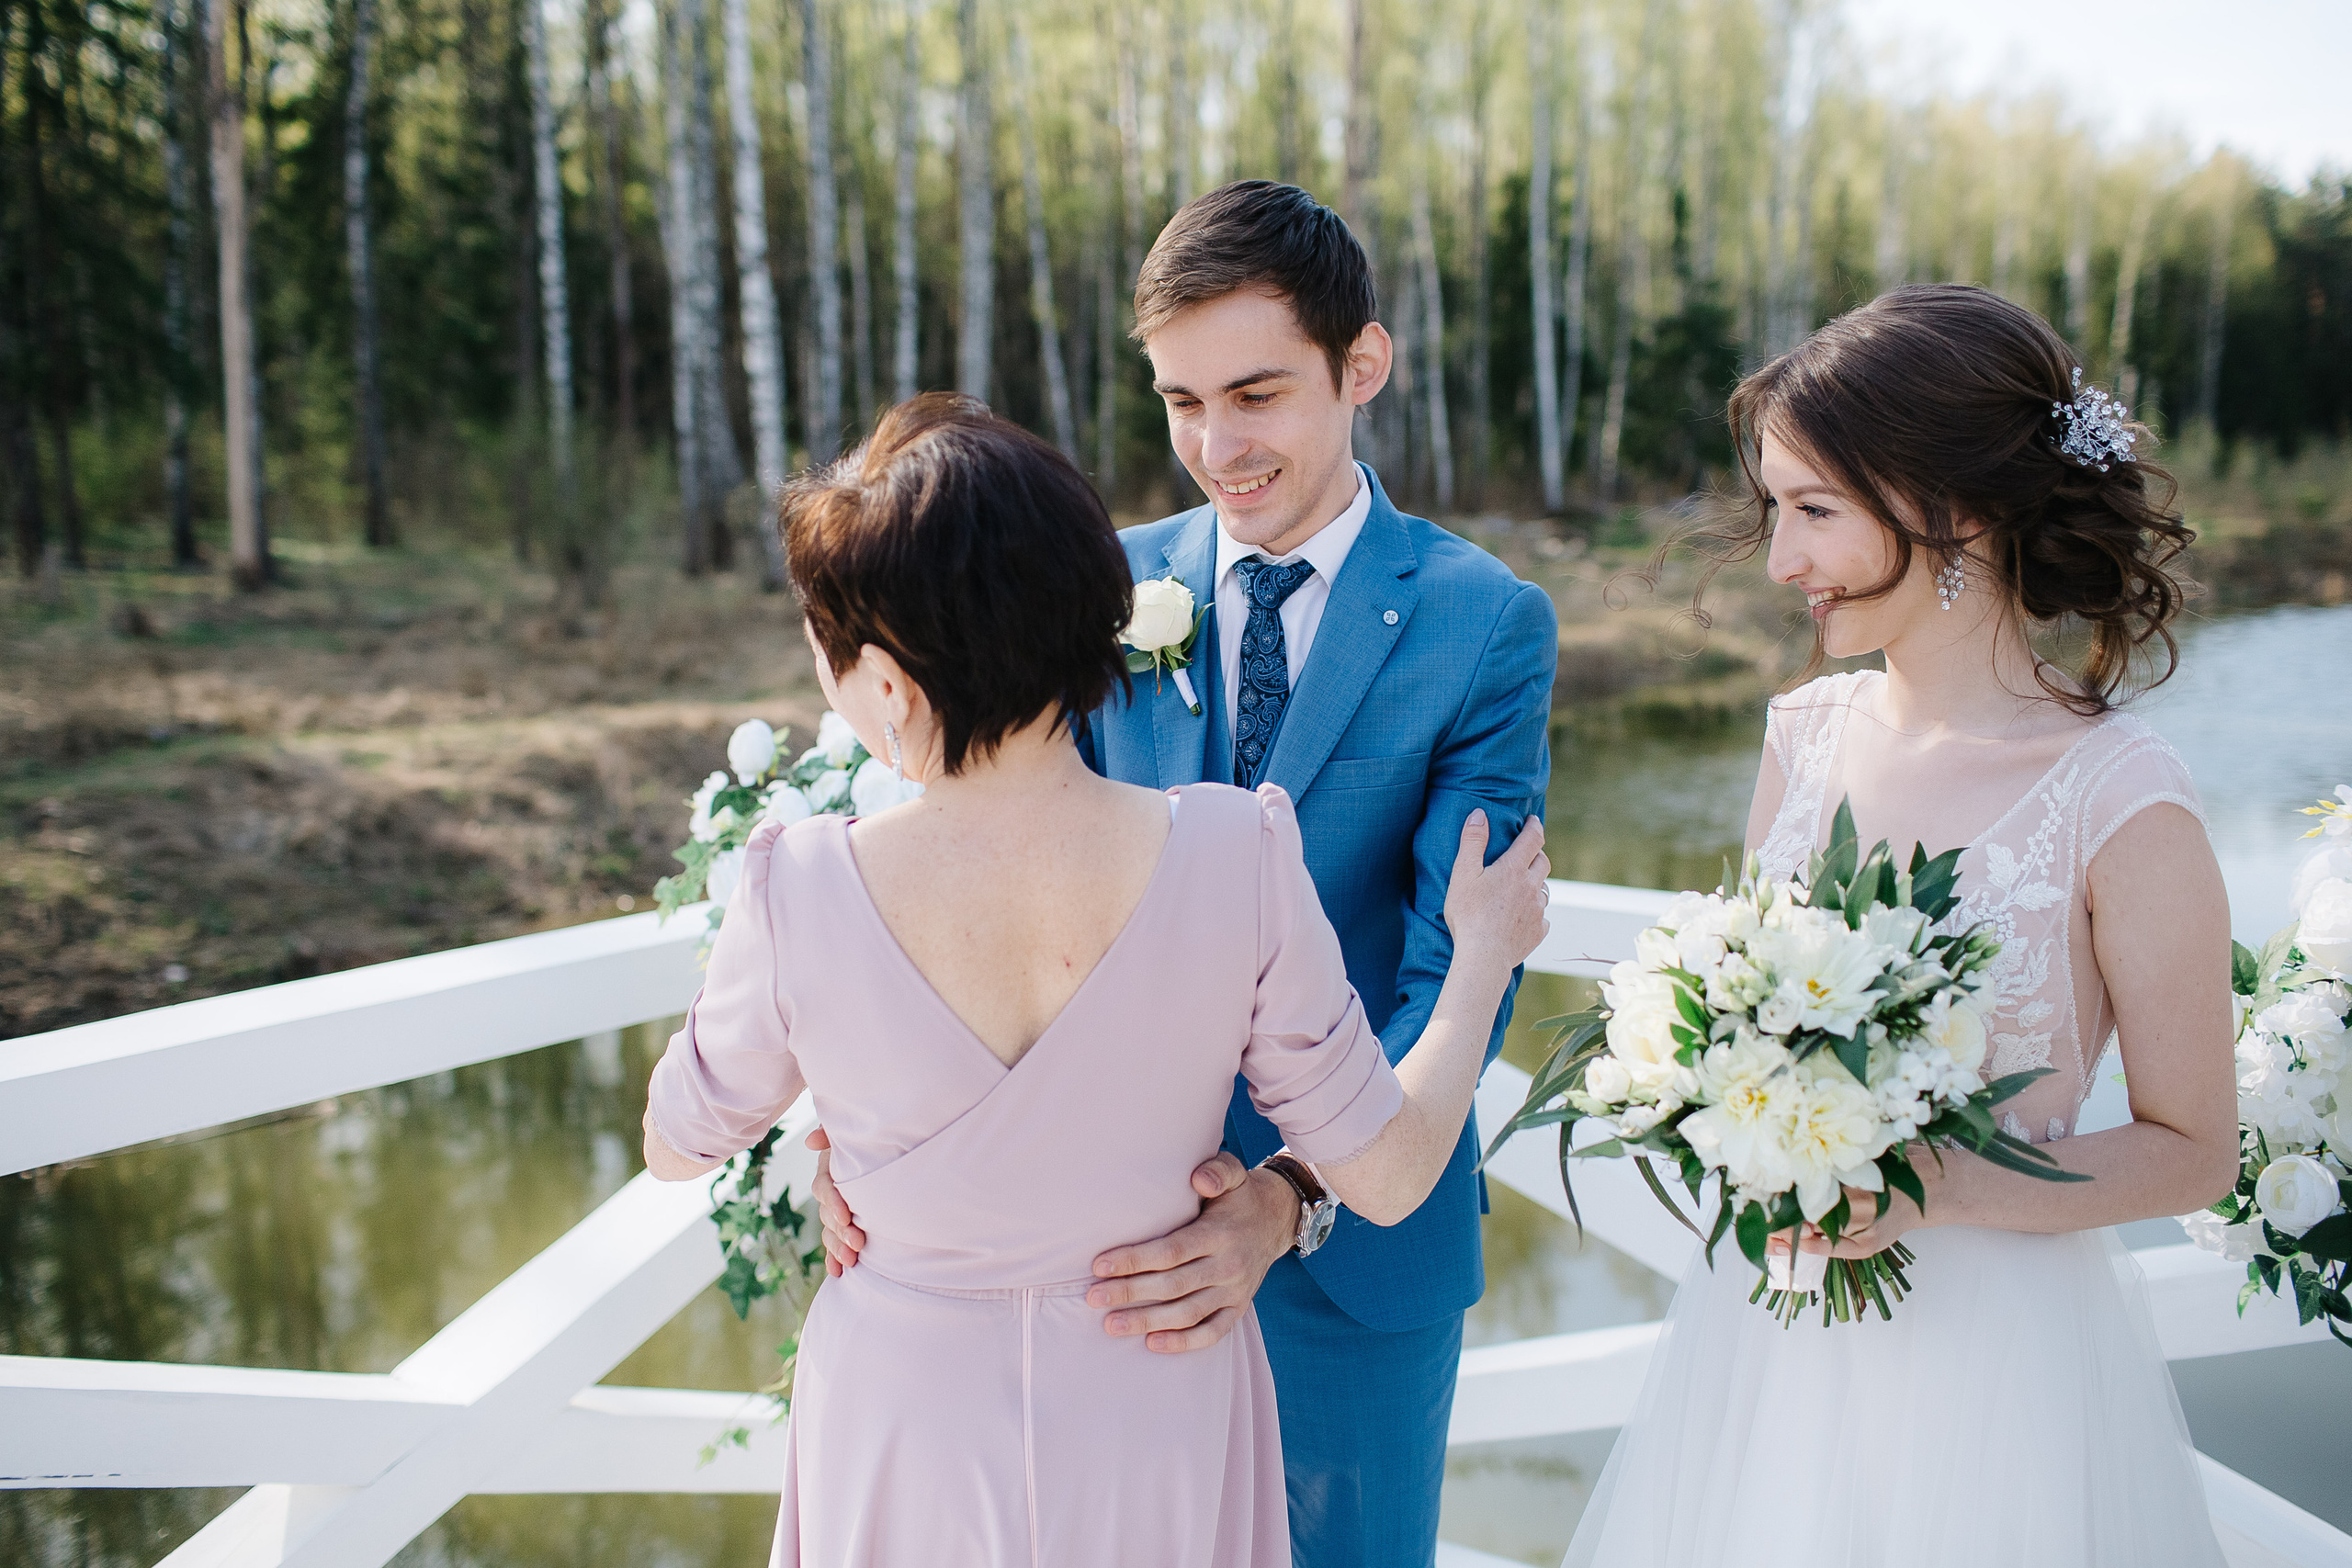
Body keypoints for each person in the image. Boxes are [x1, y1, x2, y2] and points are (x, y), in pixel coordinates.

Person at [639, 393, 1553, 1568]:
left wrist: (861, 1124)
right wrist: (1481, 958)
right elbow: (1385, 1175)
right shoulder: (1239, 853)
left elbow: (678, 1139)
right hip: (1155, 1402)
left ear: (890, 688)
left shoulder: (796, 884)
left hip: (904, 1420)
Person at [1563, 284, 2238, 1567]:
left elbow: (2195, 1147)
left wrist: (1950, 1182)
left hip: (2000, 1376)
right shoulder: (1804, 735)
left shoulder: (2122, 798)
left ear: (1956, 509)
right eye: (1778, 511)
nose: (1781, 561)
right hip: (1774, 1346)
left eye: (1815, 510)